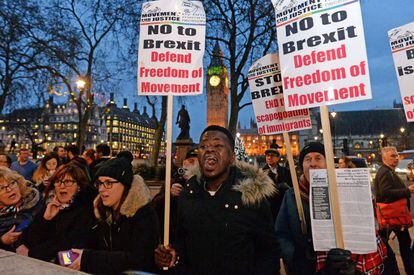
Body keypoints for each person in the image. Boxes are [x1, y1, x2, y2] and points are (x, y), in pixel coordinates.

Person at [155, 125, 280, 275]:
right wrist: (173, 257)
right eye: (203, 146)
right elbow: (182, 244)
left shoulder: (252, 198)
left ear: (232, 157)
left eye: (218, 145)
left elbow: (269, 254)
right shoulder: (188, 194)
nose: (209, 149)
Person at [276, 142, 392, 275]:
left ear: (327, 163)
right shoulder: (292, 196)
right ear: (302, 166)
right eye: (307, 159)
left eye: (318, 158)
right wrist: (295, 257)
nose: (313, 163)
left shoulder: (343, 190)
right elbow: (281, 233)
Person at [67, 157, 159, 274]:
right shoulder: (101, 211)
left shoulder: (144, 215)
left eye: (108, 183)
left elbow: (139, 260)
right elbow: (87, 241)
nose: (101, 189)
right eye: (99, 183)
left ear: (124, 185)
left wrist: (88, 258)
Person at [17, 164, 95, 262]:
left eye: (67, 182)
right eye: (58, 181)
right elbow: (28, 240)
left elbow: (69, 249)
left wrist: (31, 253)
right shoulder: (49, 205)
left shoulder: (85, 211)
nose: (62, 186)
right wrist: (45, 219)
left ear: (78, 186)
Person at [374, 146, 414, 274]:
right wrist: (408, 190)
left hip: (394, 217)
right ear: (384, 158)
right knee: (396, 245)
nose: (396, 158)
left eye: (396, 155)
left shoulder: (388, 171)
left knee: (403, 243)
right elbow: (385, 193)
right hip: (391, 216)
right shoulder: (385, 172)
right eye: (392, 156)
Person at [152, 148, 200, 243]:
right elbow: (155, 206)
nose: (191, 165)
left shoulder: (203, 184)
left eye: (195, 162)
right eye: (190, 161)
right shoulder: (174, 181)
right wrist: (169, 194)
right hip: (172, 236)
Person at [0, 167, 43, 252]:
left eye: (12, 183)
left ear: (19, 183)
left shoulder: (37, 202)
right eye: (1, 188)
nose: (9, 189)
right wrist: (2, 240)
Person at [263, 141, 292, 223]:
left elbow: (291, 186)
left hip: (284, 205)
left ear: (277, 158)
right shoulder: (261, 173)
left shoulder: (286, 171)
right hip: (270, 207)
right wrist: (279, 186)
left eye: (272, 156)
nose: (269, 158)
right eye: (267, 156)